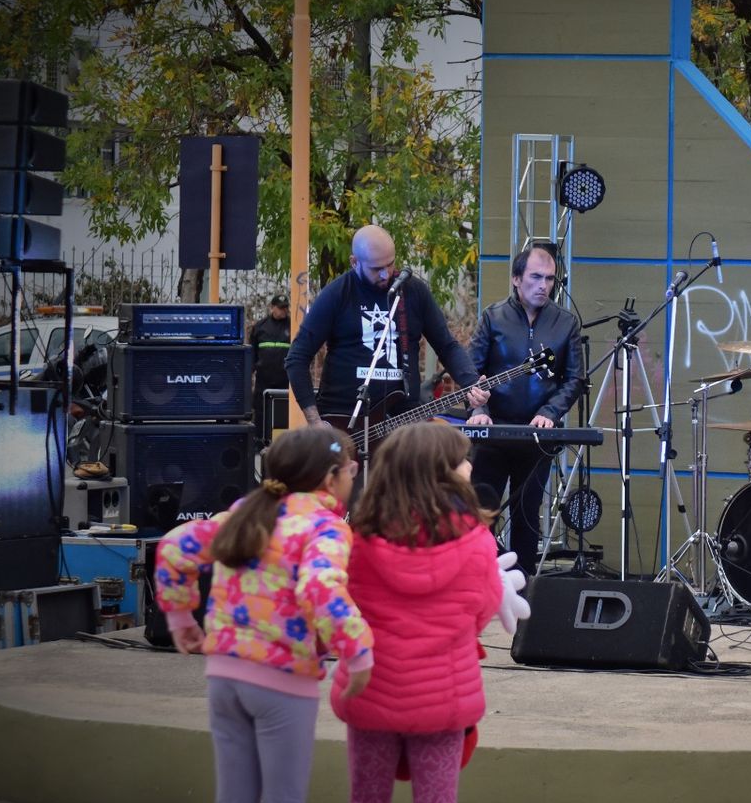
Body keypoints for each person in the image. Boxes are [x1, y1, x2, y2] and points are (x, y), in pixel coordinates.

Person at [154, 427, 374, 803]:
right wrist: (358, 652)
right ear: (329, 477)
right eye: (352, 469)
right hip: (282, 684)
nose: (354, 476)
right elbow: (321, 586)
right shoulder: (325, 527)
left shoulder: (243, 512)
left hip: (224, 676)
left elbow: (172, 548)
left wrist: (181, 621)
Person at [331, 422, 515, 803]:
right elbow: (478, 615)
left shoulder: (359, 539)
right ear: (442, 472)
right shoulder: (477, 542)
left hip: (371, 694)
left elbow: (344, 607)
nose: (470, 466)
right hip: (442, 700)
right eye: (462, 459)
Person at [284, 224, 488, 430]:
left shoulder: (414, 291)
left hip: (401, 420)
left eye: (390, 265)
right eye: (376, 269)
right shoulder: (337, 294)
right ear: (354, 262)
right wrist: (315, 421)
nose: (385, 274)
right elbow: (297, 357)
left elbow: (447, 346)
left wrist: (472, 384)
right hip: (344, 419)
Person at [465, 242, 583, 573]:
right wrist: (477, 411)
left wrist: (549, 413)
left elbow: (574, 379)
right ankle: (481, 580)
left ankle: (525, 586)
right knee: (482, 508)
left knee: (527, 512)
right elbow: (471, 372)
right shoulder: (493, 317)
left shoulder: (566, 323)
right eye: (535, 277)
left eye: (549, 279)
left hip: (536, 435)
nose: (543, 285)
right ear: (517, 279)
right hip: (493, 430)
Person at [250, 294, 292, 444]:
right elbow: (252, 353)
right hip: (264, 379)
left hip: (284, 379)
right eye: (280, 308)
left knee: (283, 413)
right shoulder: (260, 327)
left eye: (286, 308)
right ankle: (260, 442)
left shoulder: (293, 325)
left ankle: (282, 444)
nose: (284, 311)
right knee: (261, 412)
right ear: (272, 308)